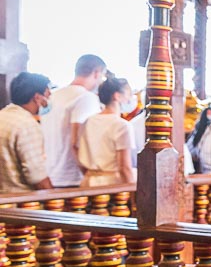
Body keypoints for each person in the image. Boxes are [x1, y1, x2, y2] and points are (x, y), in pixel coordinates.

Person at [42, 54, 106, 187]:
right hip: (72, 177)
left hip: (48, 174)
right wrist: (89, 174)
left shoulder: (53, 96)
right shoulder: (86, 98)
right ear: (96, 73)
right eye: (102, 76)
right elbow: (77, 142)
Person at [77, 75, 136, 187]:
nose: (130, 99)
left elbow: (78, 153)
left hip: (88, 181)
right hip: (111, 185)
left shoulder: (88, 121)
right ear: (117, 96)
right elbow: (124, 167)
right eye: (128, 94)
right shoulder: (121, 125)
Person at [0, 72, 53, 192]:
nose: (48, 101)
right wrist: (52, 196)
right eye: (47, 96)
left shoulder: (2, 116)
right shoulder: (27, 125)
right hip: (21, 201)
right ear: (37, 97)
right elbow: (35, 174)